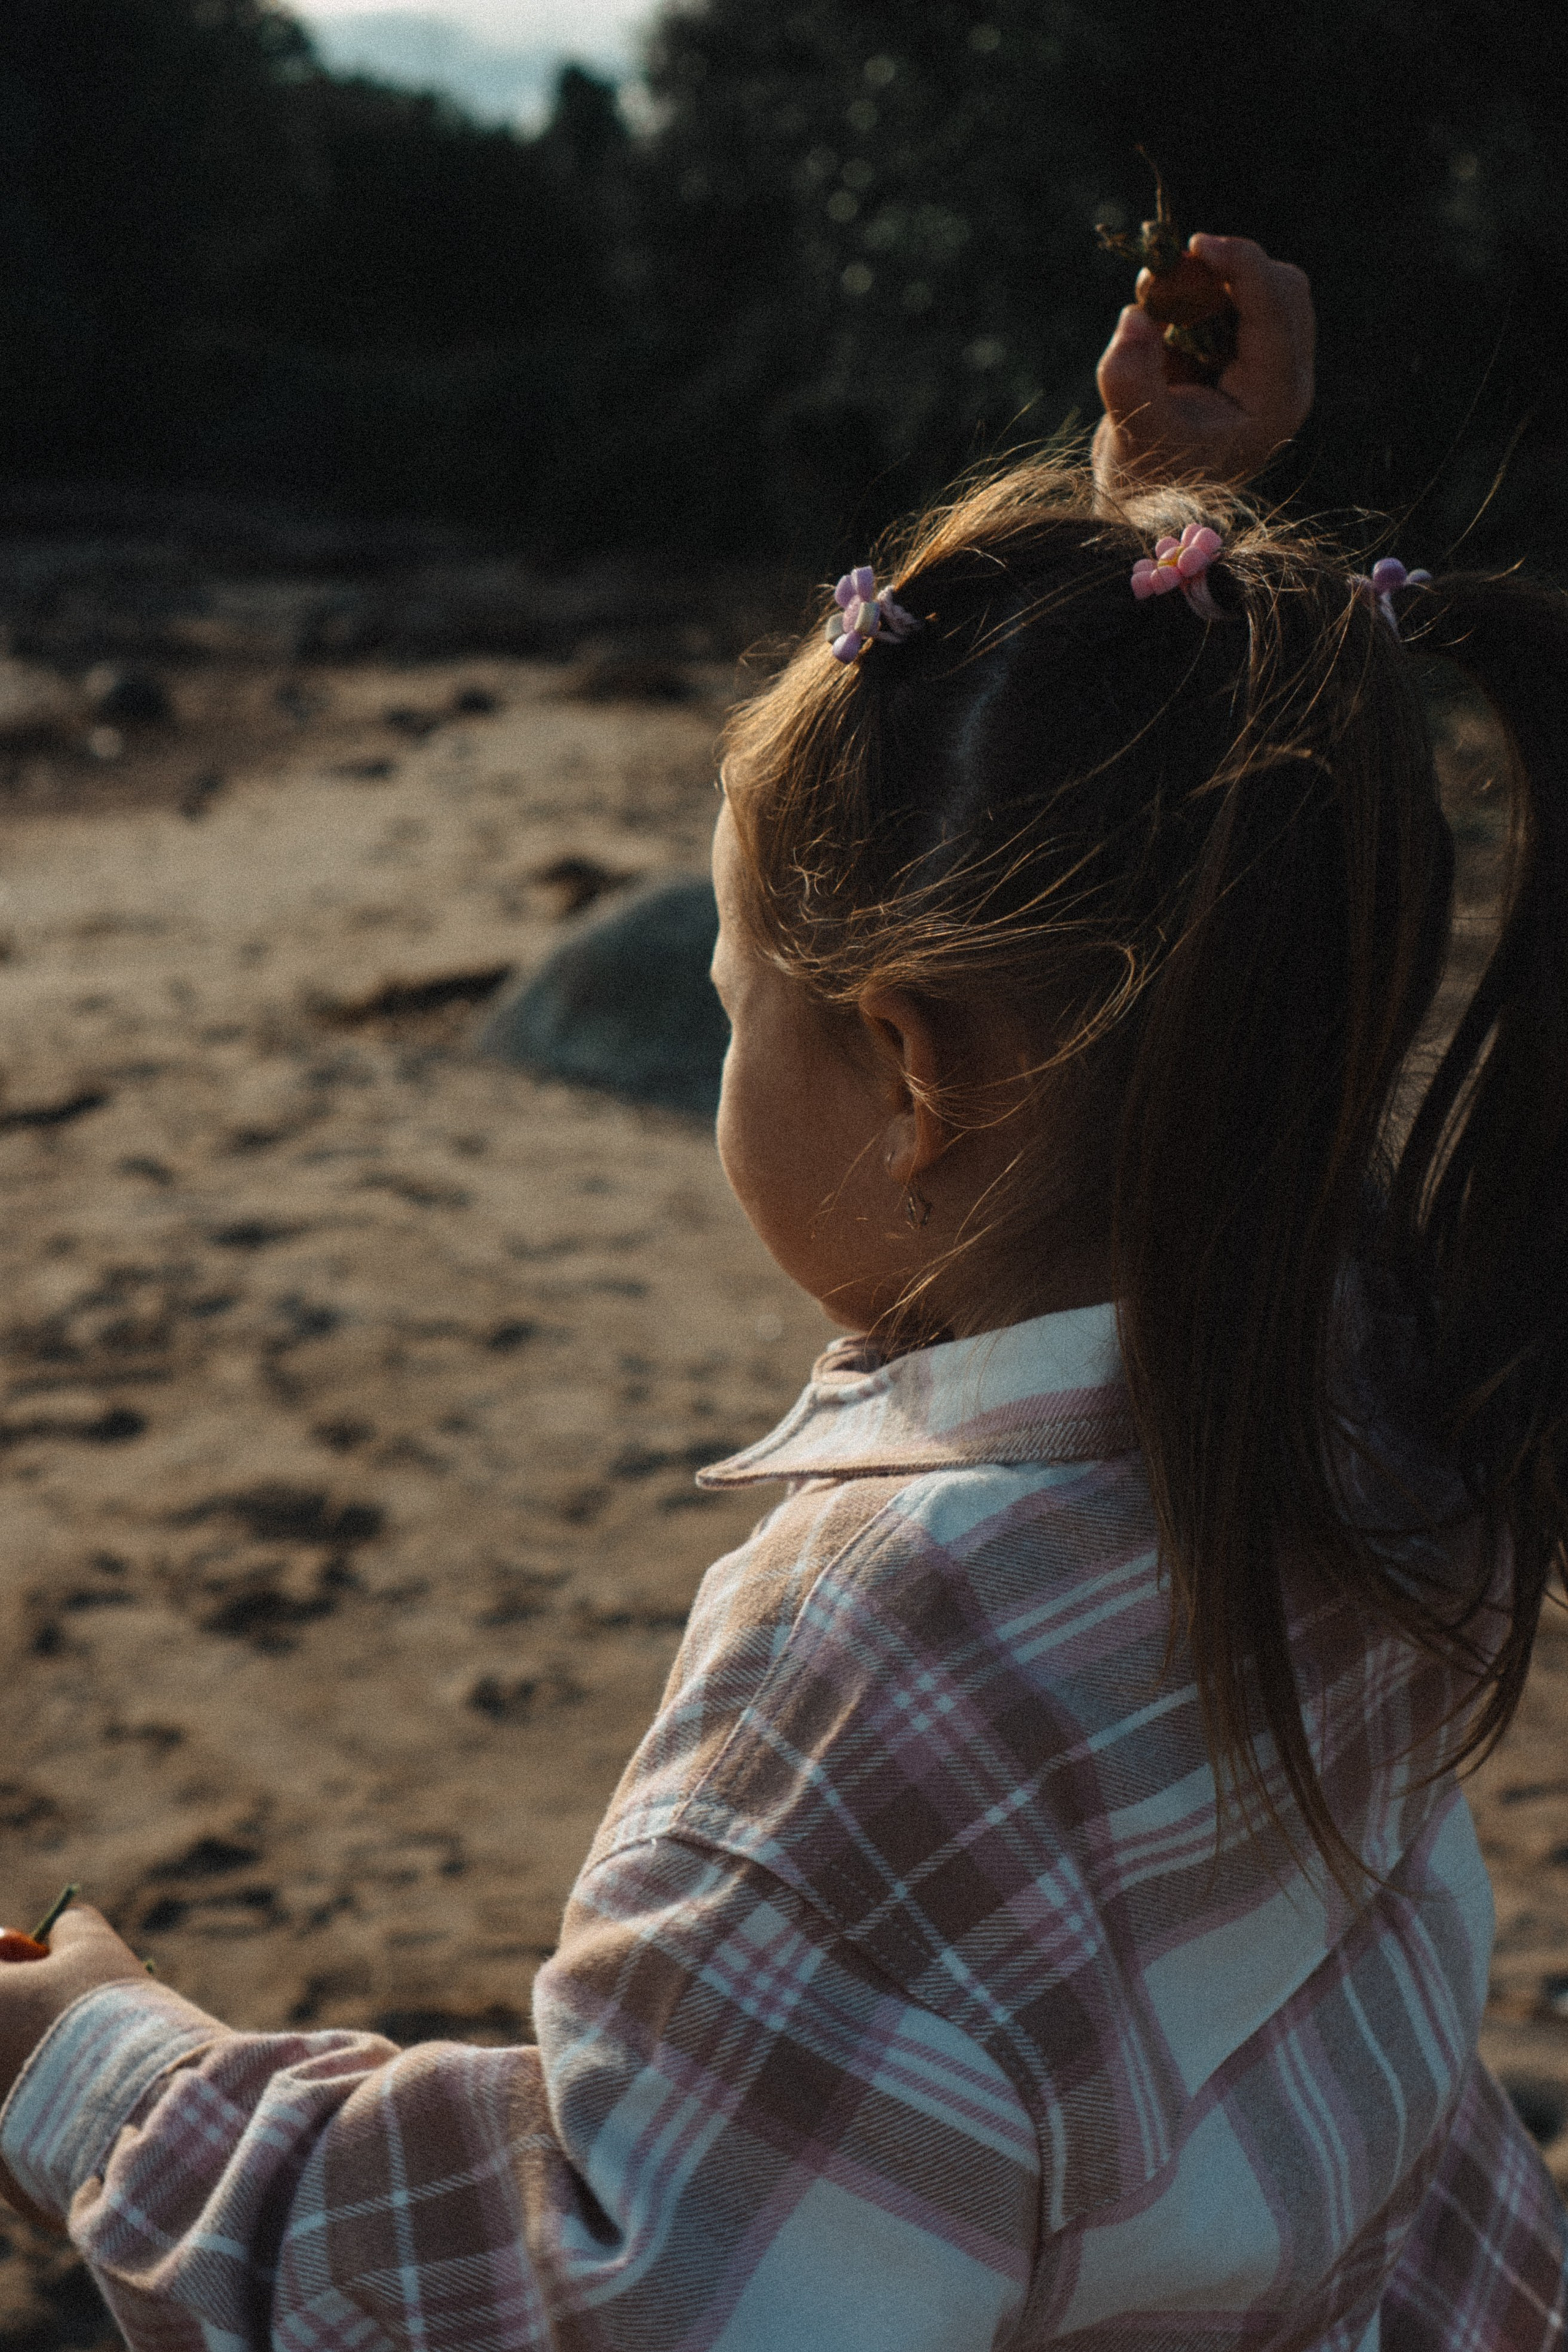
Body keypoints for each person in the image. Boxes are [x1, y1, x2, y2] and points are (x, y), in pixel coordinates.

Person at [0, 236, 1564, 2350]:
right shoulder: (1372, 1345)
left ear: (913, 1075)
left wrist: (104, 2079)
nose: (729, 1045)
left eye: (742, 1007)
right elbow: (1193, 884)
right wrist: (1149, 533)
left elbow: (625, 2291)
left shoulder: (877, 1687)